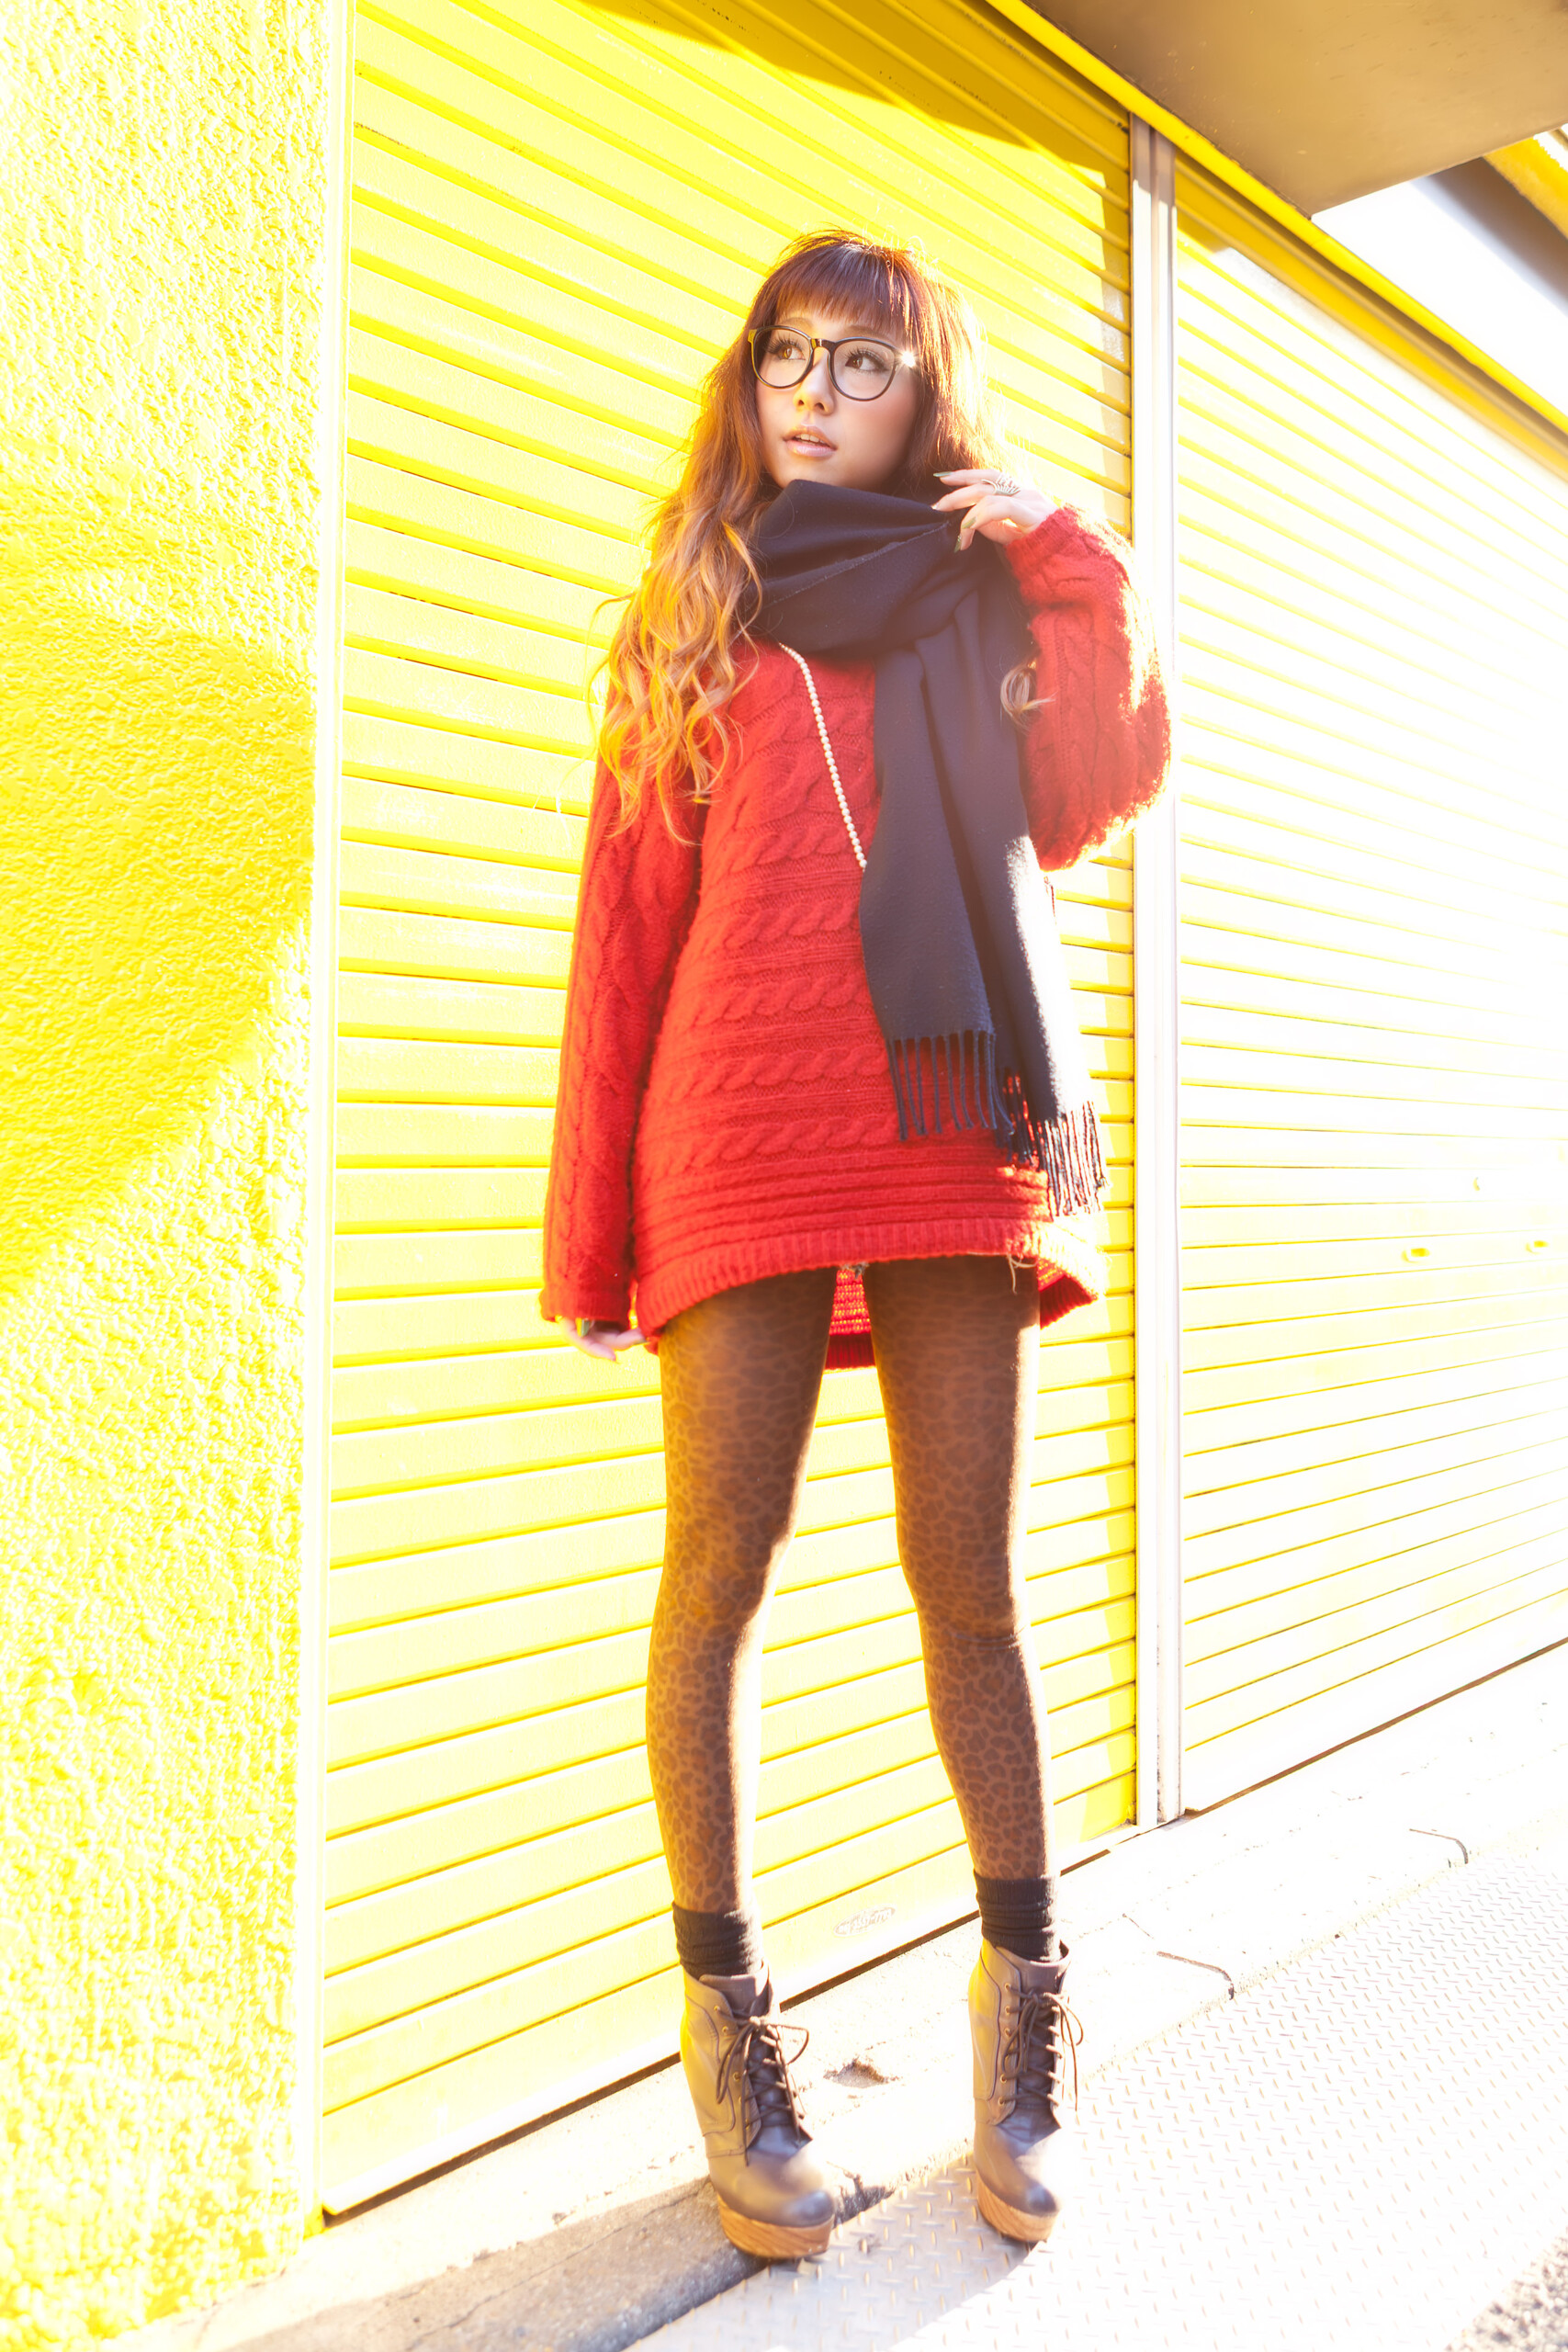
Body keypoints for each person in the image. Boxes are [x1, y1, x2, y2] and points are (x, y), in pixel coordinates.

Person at [541, 229, 1170, 2258]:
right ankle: (733, 2040)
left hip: (948, 1123)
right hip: (731, 1133)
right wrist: (588, 1229)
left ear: (924, 399)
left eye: (862, 363)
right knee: (714, 1579)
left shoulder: (986, 603)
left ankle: (1024, 2015)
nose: (812, 393)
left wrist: (1067, 552)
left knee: (968, 1581)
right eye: (786, 356)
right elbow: (624, 934)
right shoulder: (693, 619)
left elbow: (1098, 777)